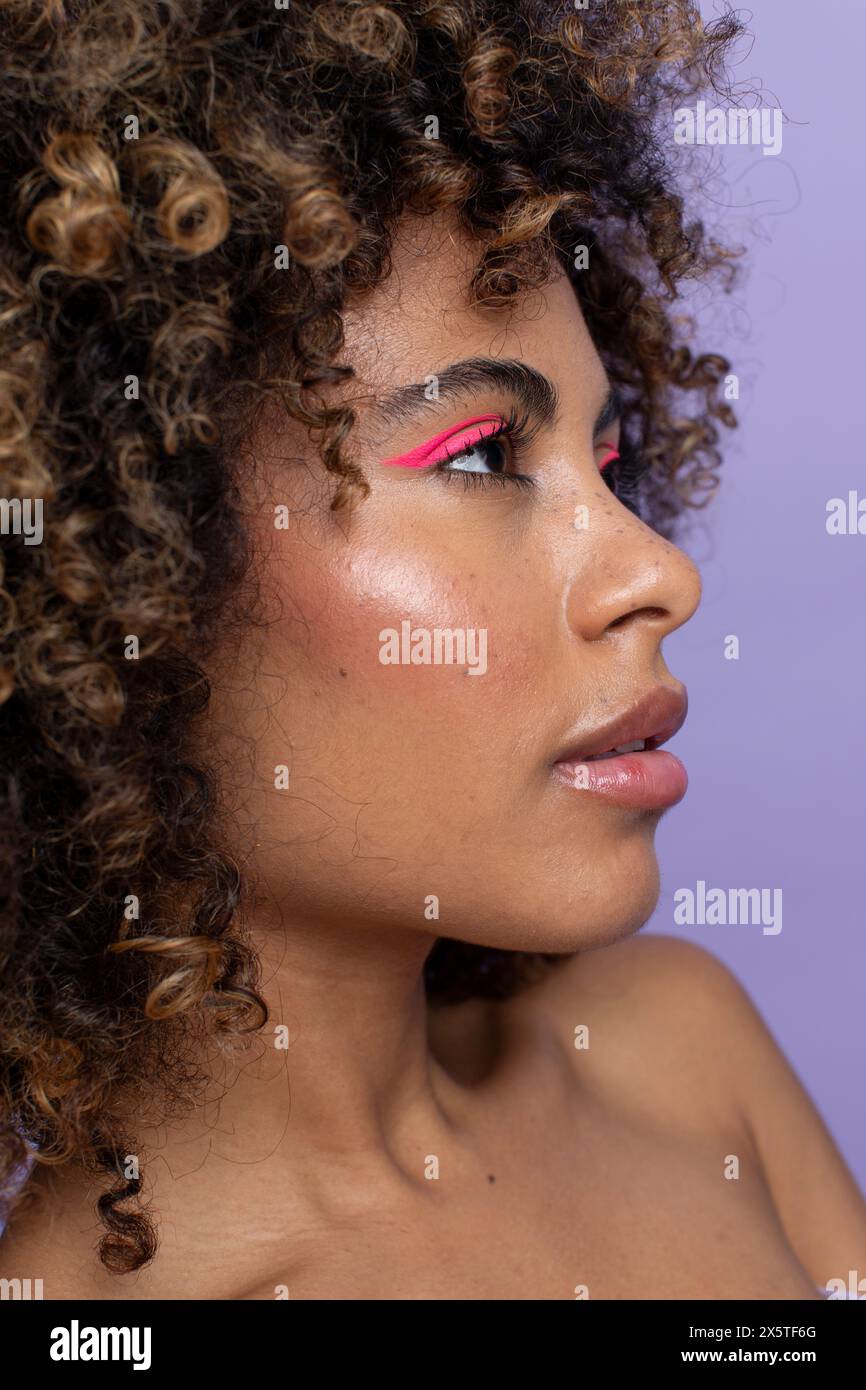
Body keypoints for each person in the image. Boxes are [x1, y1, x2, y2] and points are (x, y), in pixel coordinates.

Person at [1, 0, 864, 1300]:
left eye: (608, 455)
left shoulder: (677, 1054)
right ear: (120, 573)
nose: (657, 572)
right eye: (479, 455)